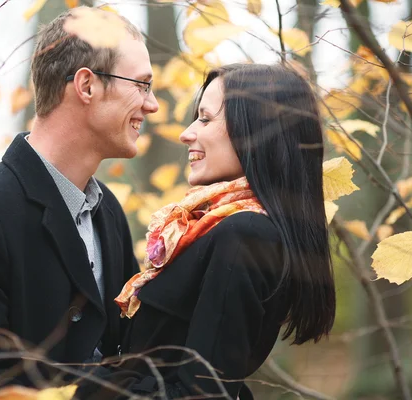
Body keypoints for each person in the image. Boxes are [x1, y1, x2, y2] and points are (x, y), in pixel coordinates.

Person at [0, 7, 159, 400]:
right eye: (142, 85)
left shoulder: (108, 211)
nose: (152, 105)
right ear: (87, 86)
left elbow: (131, 358)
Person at [76, 63, 336, 400]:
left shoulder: (246, 234)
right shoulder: (215, 227)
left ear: (255, 131)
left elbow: (201, 393)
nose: (186, 133)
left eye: (205, 118)